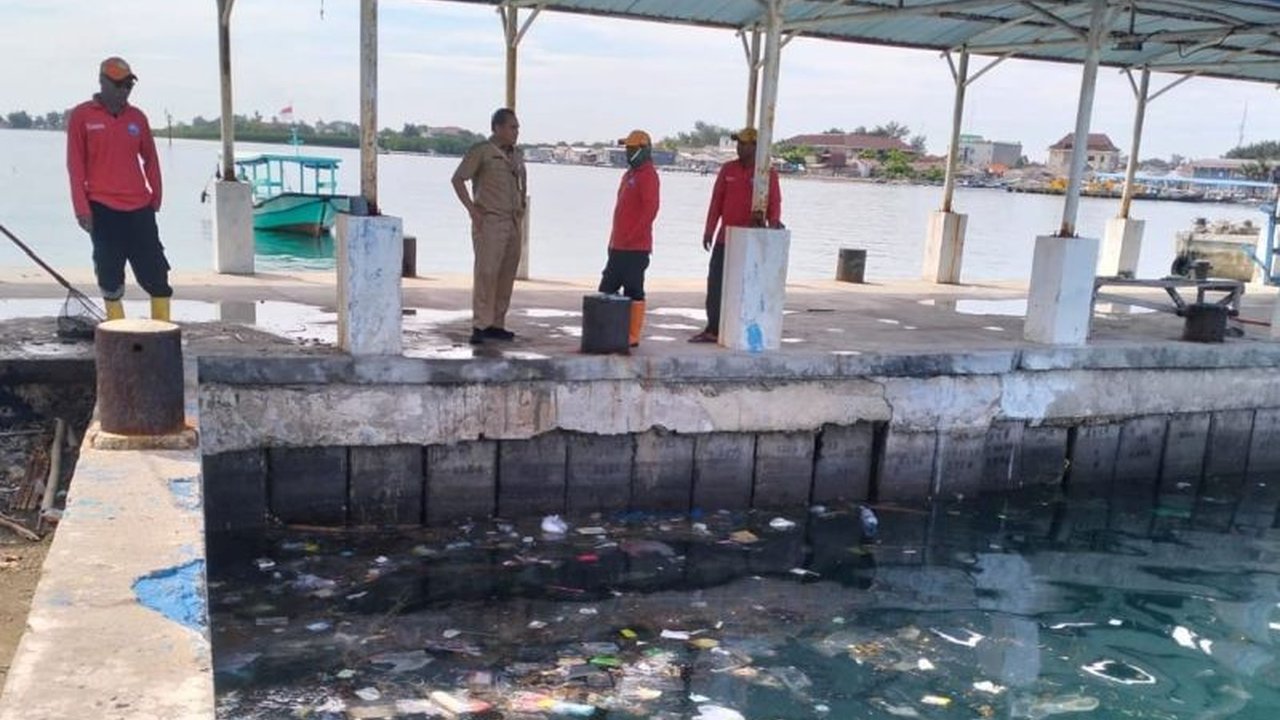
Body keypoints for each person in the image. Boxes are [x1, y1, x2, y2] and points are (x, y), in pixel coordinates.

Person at [66, 56, 172, 321]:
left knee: (156, 272)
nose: (124, 90)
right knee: (109, 274)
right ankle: (116, 328)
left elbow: (151, 159)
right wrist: (81, 208)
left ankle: (162, 328)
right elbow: (75, 165)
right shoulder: (82, 116)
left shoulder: (137, 118)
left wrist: (156, 197)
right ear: (102, 82)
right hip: (102, 207)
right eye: (118, 84)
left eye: (128, 85)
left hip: (139, 206)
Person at [689, 127, 782, 344]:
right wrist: (709, 230)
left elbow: (774, 203)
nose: (739, 147)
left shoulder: (767, 174)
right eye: (738, 143)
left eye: (744, 144)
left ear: (756, 147)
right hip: (725, 239)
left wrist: (773, 224)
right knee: (715, 284)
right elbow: (716, 201)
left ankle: (742, 327)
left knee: (746, 287)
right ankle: (713, 328)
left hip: (750, 241)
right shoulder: (728, 169)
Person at [451, 108, 527, 345]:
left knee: (506, 274)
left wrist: (521, 210)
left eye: (517, 128)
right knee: (487, 273)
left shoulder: (516, 155)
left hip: (513, 221)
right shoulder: (482, 151)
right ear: (497, 128)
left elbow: (521, 185)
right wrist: (472, 210)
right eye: (512, 127)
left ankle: (497, 323)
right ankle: (480, 325)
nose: (516, 132)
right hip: (490, 221)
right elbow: (458, 179)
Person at [599, 129, 660, 347]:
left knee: (634, 289)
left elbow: (650, 210)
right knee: (607, 287)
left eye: (632, 148)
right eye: (627, 148)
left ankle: (632, 335)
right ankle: (608, 330)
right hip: (618, 245)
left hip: (636, 248)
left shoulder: (648, 175)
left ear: (644, 150)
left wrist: (633, 235)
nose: (628, 152)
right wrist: (614, 241)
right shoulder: (629, 175)